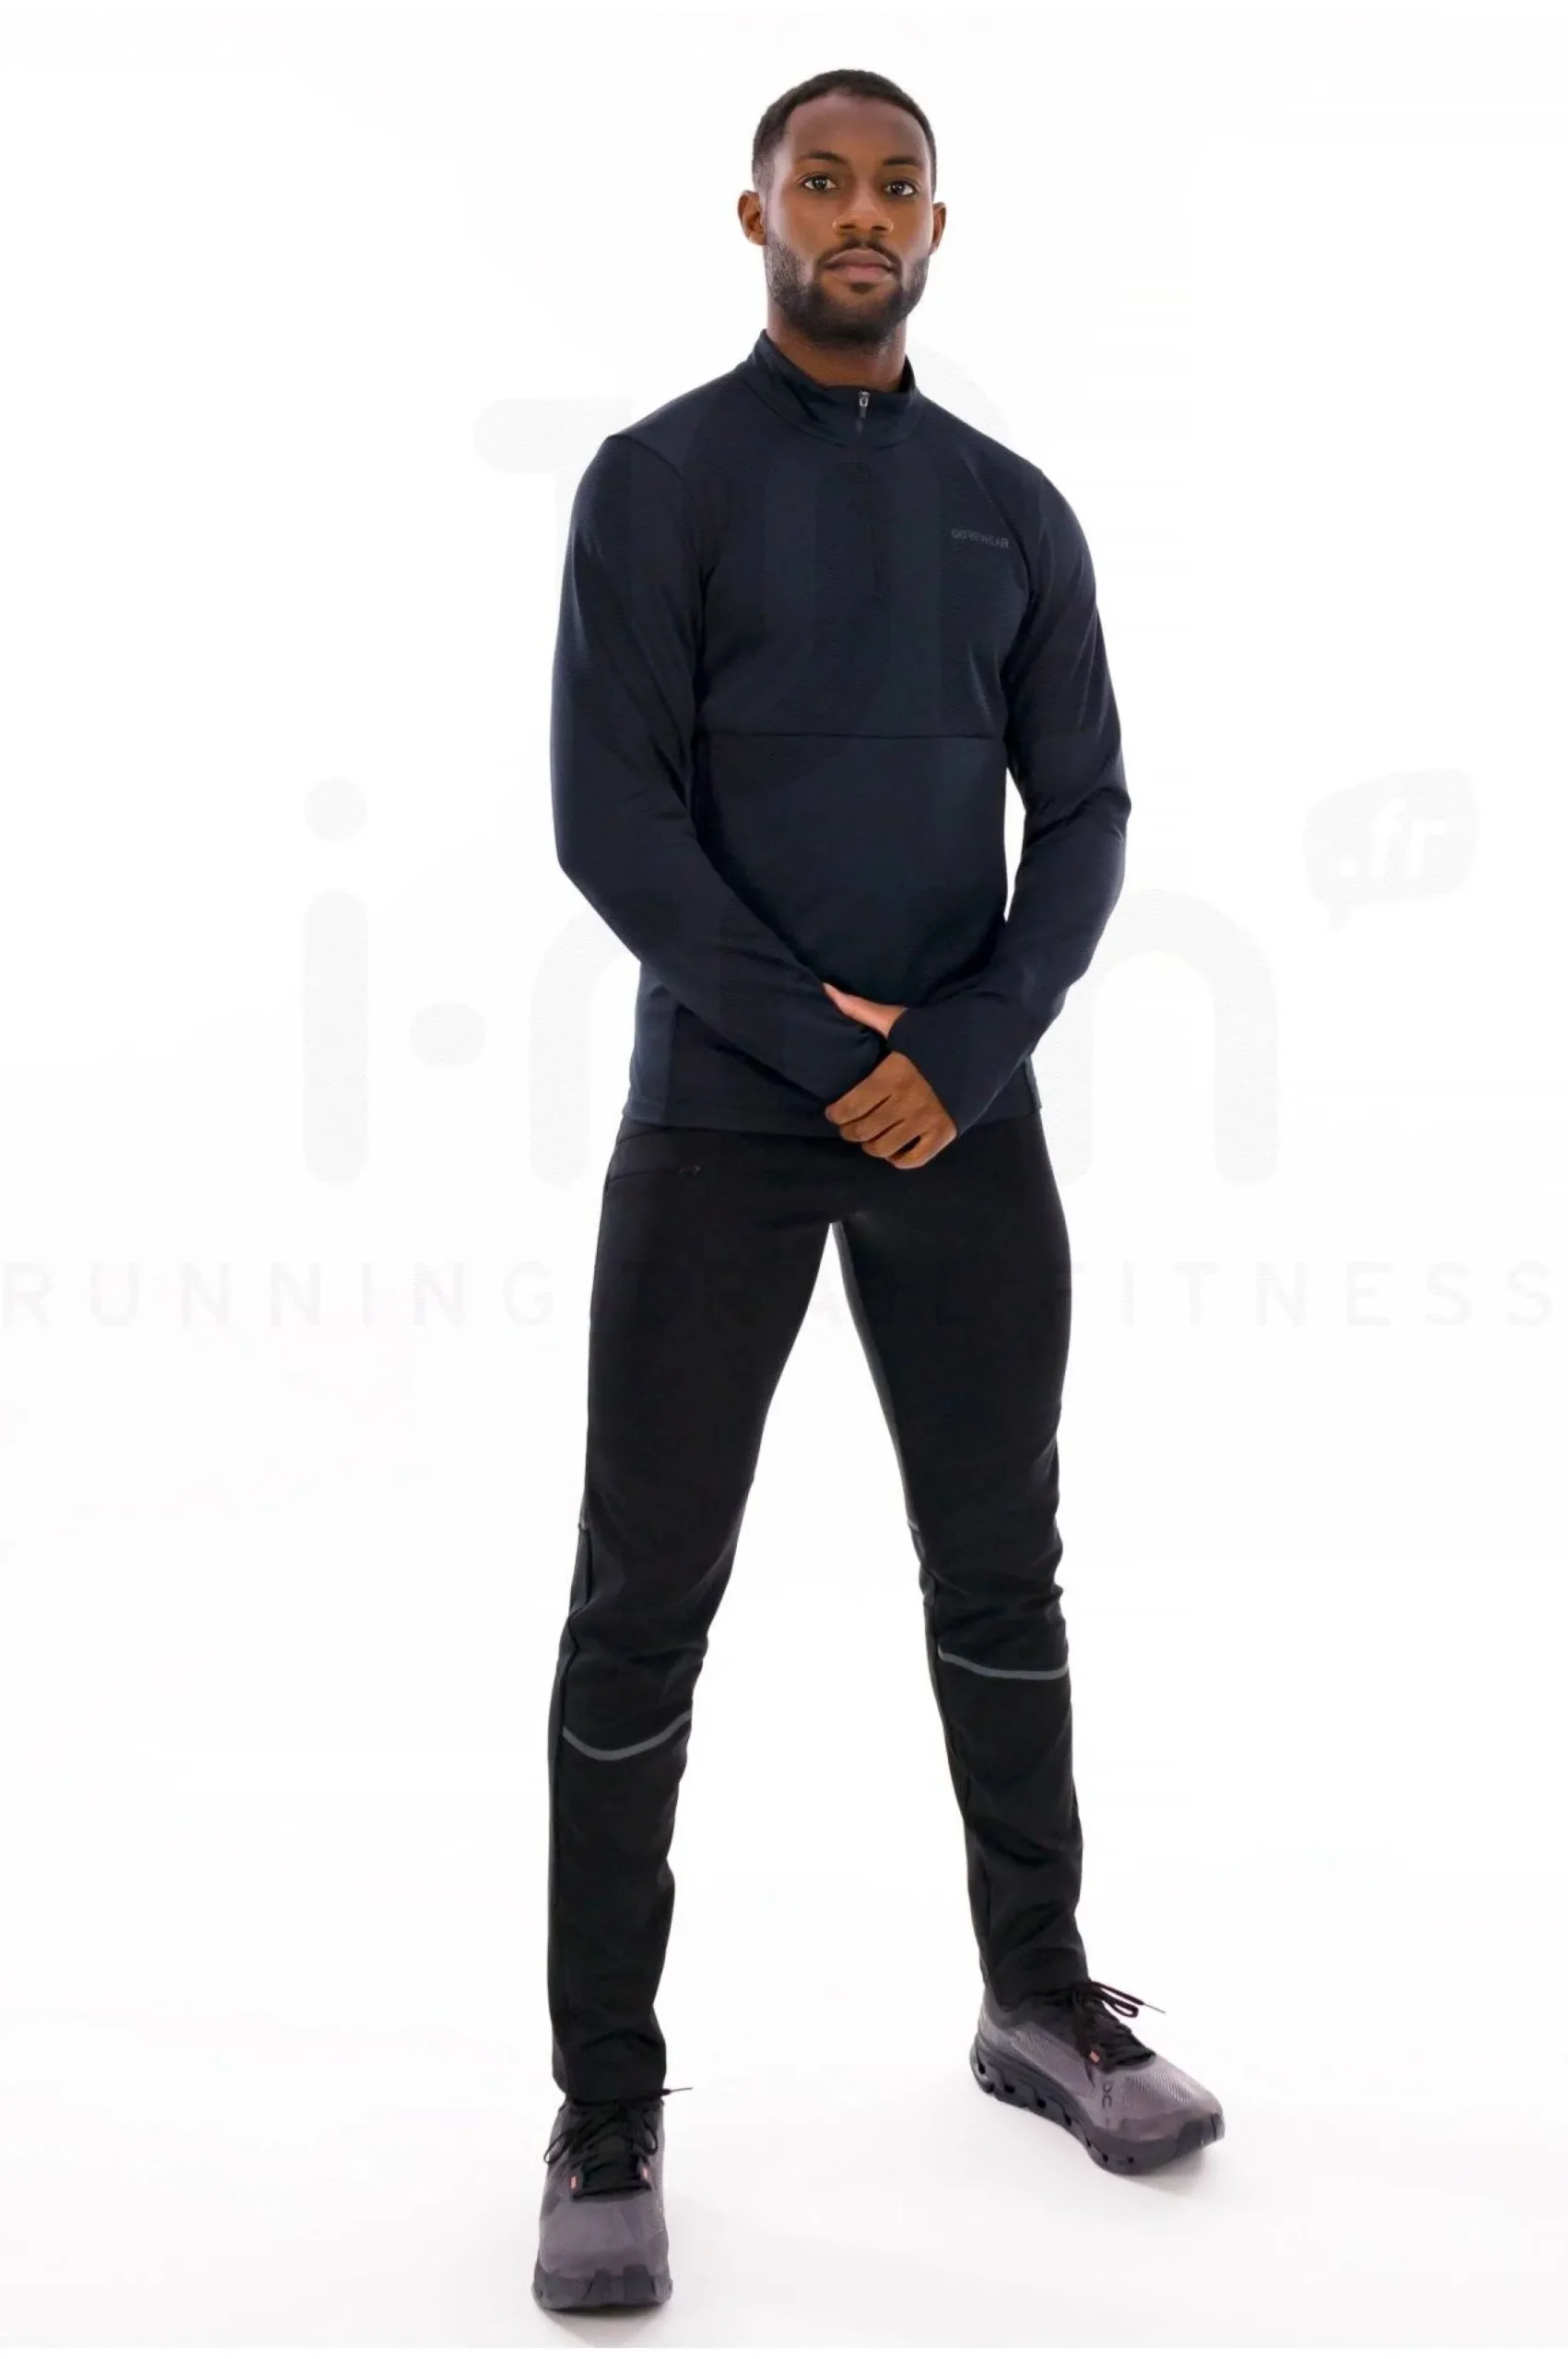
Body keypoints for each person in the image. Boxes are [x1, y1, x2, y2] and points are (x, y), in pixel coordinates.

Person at [532, 67, 1223, 2315]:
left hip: (966, 1120)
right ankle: (605, 2103)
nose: (859, 210)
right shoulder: (657, 482)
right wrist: (842, 1054)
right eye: (819, 179)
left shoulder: (1009, 509)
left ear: (938, 225)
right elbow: (611, 823)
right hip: (722, 1121)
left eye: (894, 184)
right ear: (750, 212)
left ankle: (1037, 1994)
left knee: (999, 1570)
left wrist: (967, 1046)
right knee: (641, 1605)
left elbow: (1086, 812)